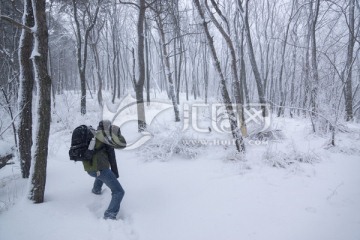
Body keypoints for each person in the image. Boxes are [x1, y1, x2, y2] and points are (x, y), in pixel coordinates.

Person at [82, 120, 126, 220]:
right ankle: (110, 214)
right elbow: (122, 144)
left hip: (90, 169)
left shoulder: (94, 135)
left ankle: (96, 190)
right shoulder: (105, 138)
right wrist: (117, 132)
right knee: (119, 192)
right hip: (100, 170)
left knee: (101, 174)